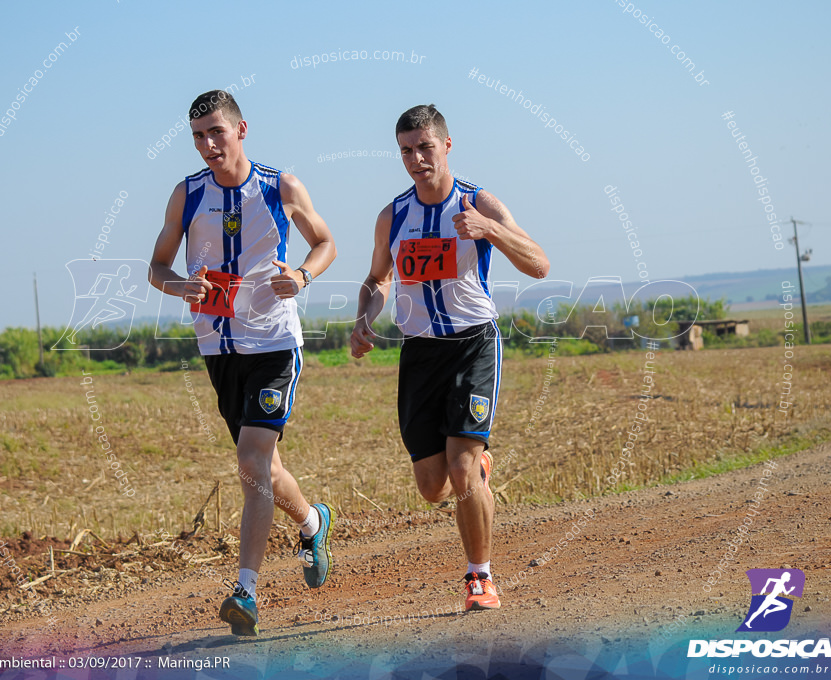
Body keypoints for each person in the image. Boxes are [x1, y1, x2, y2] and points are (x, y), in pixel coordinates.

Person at [148, 90, 337, 636]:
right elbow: (156, 267)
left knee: (252, 464)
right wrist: (181, 284)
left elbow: (325, 242)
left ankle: (246, 592)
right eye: (198, 137)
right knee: (264, 468)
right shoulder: (186, 195)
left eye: (217, 133)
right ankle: (311, 521)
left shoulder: (280, 186)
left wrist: (301, 276)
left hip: (275, 345)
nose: (208, 145)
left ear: (241, 130)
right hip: (219, 349)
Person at [349, 104, 549, 611]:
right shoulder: (392, 215)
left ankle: (479, 577)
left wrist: (490, 230)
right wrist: (363, 319)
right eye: (406, 150)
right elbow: (378, 279)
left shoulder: (478, 201)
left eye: (425, 147)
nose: (417, 159)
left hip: (472, 345)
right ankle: (477, 470)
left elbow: (540, 264)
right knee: (432, 487)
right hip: (419, 353)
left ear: (447, 145)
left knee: (461, 468)